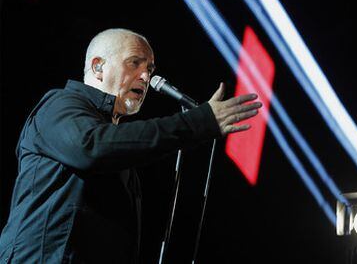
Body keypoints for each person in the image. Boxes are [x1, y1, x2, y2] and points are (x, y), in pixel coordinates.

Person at [0, 28, 262, 263]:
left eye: (150, 68)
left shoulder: (117, 147)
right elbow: (92, 147)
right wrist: (197, 122)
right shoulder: (60, 105)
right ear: (98, 67)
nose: (146, 75)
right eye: (134, 63)